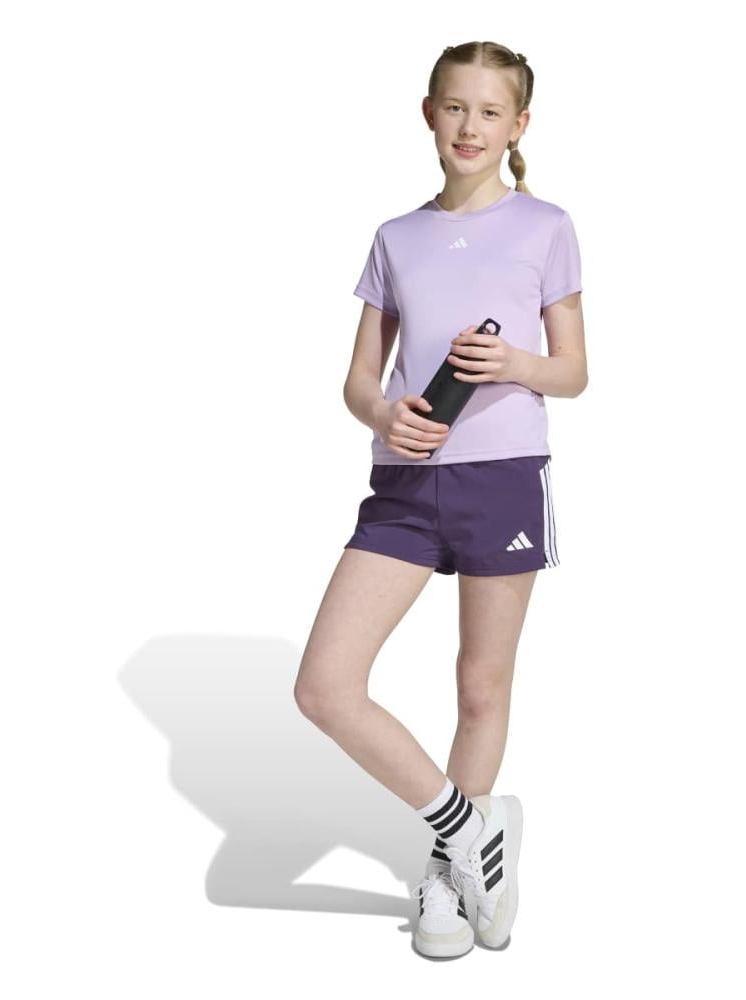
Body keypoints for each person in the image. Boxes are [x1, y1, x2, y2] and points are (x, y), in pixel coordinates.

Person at [294, 40, 586, 959]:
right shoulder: (396, 237)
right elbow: (358, 379)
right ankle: (469, 831)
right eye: (456, 107)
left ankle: (450, 877)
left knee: (479, 685)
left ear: (518, 126)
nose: (470, 127)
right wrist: (384, 412)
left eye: (491, 112)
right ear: (429, 113)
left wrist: (516, 362)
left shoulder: (547, 226)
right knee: (325, 686)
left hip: (503, 476)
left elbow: (574, 372)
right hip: (404, 483)